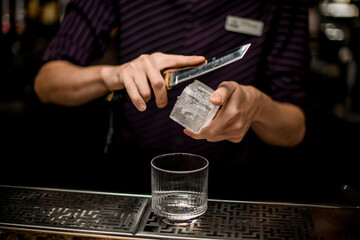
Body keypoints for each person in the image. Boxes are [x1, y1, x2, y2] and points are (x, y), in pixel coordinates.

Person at [34, 0, 310, 199]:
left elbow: (295, 128)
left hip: (229, 189)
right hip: (126, 182)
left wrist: (257, 105)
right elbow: (47, 84)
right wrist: (113, 75)